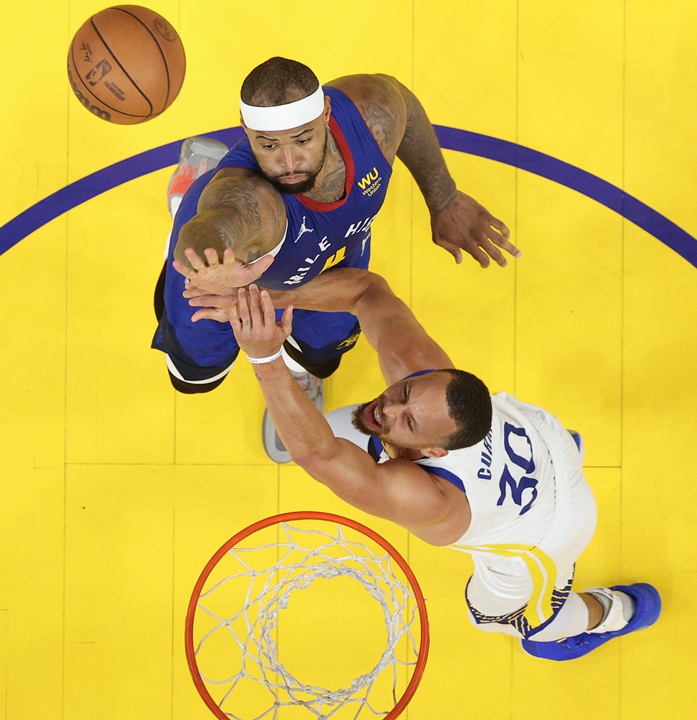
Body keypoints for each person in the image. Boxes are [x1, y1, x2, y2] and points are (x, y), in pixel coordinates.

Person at [180, 268, 661, 660]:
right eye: (404, 393)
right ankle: (560, 456)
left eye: (407, 422)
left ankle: (614, 612)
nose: (388, 408)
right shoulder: (422, 373)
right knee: (353, 427)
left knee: (493, 617)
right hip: (543, 435)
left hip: (551, 529)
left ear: (433, 453)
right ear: (427, 376)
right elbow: (369, 291)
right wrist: (268, 296)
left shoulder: (429, 498)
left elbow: (317, 454)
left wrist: (266, 359)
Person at [152, 56, 517, 463]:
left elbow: (407, 110)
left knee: (318, 357)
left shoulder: (370, 111)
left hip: (335, 266)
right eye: (268, 145)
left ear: (327, 113)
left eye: (303, 140)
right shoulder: (252, 197)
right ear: (245, 129)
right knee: (195, 377)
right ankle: (190, 192)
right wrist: (205, 257)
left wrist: (443, 195)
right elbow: (219, 224)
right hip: (227, 279)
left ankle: (297, 378)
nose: (288, 164)